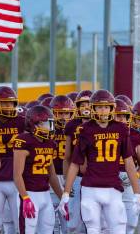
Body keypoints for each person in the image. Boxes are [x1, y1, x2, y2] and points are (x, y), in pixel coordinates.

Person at [59, 89, 140, 234]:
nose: (102, 110)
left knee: (119, 228)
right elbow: (75, 163)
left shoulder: (121, 129)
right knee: (93, 229)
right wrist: (66, 192)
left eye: (105, 106)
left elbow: (129, 163)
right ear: (93, 108)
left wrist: (137, 193)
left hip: (113, 188)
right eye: (99, 106)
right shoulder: (85, 129)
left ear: (111, 108)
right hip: (90, 188)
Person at [13, 105, 63, 234]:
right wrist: (25, 198)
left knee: (48, 228)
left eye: (49, 124)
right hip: (30, 193)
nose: (49, 127)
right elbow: (17, 175)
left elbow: (51, 175)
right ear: (34, 124)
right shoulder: (24, 141)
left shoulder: (50, 143)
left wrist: (63, 198)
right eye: (45, 124)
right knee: (28, 229)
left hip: (45, 194)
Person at [0, 86, 25, 234]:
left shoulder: (22, 122)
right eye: (5, 103)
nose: (9, 107)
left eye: (11, 103)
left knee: (19, 224)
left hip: (16, 178)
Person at [115, 99, 140, 234]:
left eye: (125, 116)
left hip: (128, 181)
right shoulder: (100, 133)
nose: (122, 119)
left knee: (130, 222)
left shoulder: (134, 135)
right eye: (118, 115)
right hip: (108, 180)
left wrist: (135, 176)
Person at [62, 89, 93, 233]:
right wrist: (66, 179)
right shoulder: (72, 125)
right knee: (74, 223)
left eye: (89, 104)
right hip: (77, 177)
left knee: (93, 220)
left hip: (95, 177)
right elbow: (67, 156)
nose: (86, 107)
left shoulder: (102, 125)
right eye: (83, 104)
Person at [50, 95, 75, 233]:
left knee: (69, 220)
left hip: (68, 177)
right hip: (51, 178)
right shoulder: (47, 131)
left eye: (66, 113)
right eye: (60, 113)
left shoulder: (74, 131)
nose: (63, 117)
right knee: (51, 222)